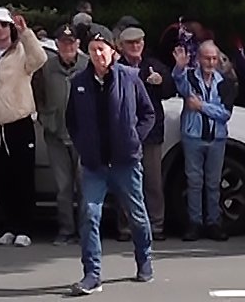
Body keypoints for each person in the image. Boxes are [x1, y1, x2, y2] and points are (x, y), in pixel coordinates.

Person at [67, 31, 158, 296]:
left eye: (102, 49)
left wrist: (134, 139)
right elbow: (71, 121)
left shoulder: (129, 77)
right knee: (89, 215)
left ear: (112, 52)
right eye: (93, 50)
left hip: (125, 162)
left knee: (137, 216)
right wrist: (84, 144)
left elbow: (147, 113)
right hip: (95, 164)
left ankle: (144, 261)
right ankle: (92, 274)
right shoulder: (79, 82)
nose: (98, 55)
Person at [0, 8, 49, 247]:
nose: (0, 30)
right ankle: (10, 225)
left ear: (11, 28)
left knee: (23, 178)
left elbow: (40, 59)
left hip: (19, 123)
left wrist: (26, 33)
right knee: (1, 180)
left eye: (4, 25)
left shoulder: (22, 51)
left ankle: (25, 228)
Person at [174, 41, 235, 241]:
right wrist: (179, 67)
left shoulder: (224, 82)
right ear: (199, 59)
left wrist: (201, 106)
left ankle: (214, 222)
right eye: (206, 58)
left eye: (213, 58)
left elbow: (225, 113)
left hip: (216, 138)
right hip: (193, 136)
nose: (210, 62)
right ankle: (195, 223)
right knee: (194, 181)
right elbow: (180, 84)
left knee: (213, 183)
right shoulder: (190, 77)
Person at [116, 26, 173, 241]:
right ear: (122, 46)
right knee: (126, 182)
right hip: (124, 133)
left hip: (151, 134)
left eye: (139, 42)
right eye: (131, 43)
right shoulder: (116, 67)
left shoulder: (153, 65)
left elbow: (170, 89)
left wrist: (161, 82)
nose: (136, 46)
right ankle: (126, 227)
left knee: (152, 182)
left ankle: (156, 225)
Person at [37, 24, 87, 245]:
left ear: (78, 44)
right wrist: (44, 119)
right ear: (57, 45)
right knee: (63, 187)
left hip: (83, 136)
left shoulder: (88, 65)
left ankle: (87, 230)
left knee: (86, 186)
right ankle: (66, 230)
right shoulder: (45, 68)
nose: (68, 46)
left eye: (71, 42)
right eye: (63, 43)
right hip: (56, 135)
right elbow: (37, 95)